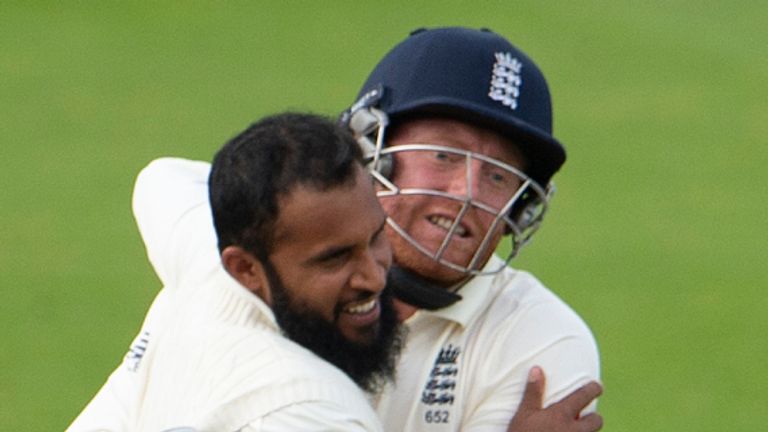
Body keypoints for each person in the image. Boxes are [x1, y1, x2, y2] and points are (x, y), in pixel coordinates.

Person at [69, 27, 604, 432]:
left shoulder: (540, 342)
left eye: (498, 176)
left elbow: (165, 180)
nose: (466, 193)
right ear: (369, 147)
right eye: (443, 156)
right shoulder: (302, 392)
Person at [68, 112, 401, 431]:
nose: (375, 277)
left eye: (376, 237)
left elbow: (163, 177)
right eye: (335, 258)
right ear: (245, 269)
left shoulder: (204, 260)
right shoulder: (314, 412)